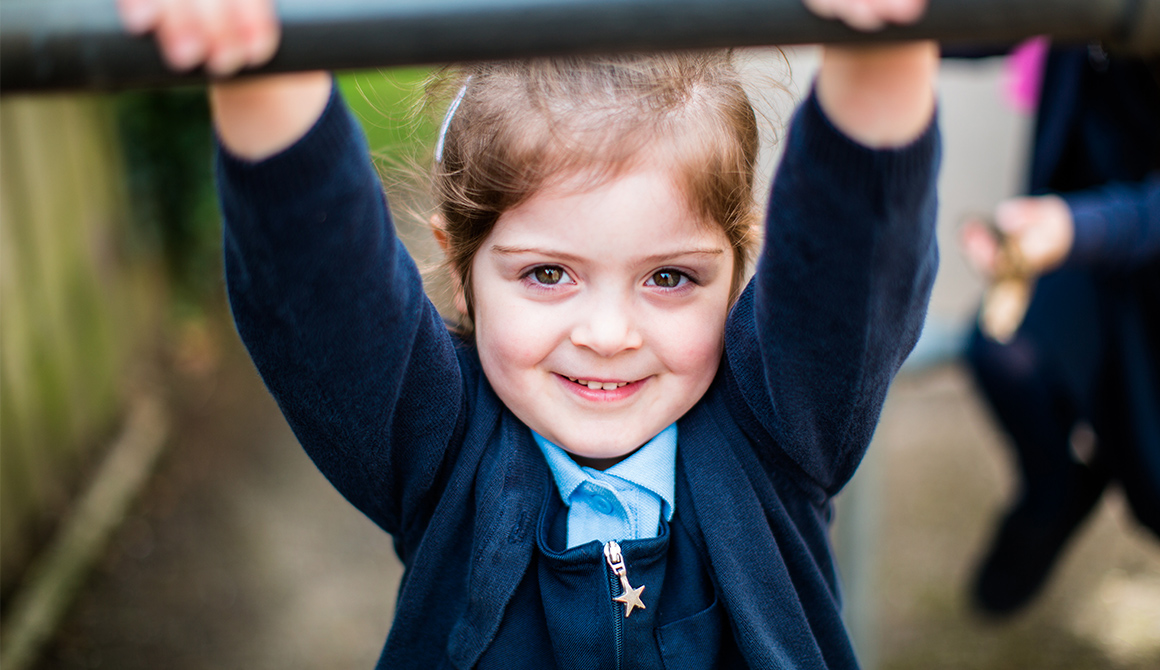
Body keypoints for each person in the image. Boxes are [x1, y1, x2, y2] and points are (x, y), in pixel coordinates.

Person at [120, 0, 939, 666]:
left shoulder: (779, 429)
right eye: (547, 274)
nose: (610, 333)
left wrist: (885, 45)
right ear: (461, 268)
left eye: (670, 277)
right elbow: (318, 282)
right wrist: (256, 60)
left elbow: (856, 255)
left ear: (740, 264)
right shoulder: (435, 444)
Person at [960, 41, 1160, 616]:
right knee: (1003, 350)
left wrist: (1077, 228)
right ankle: (1054, 492)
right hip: (1077, 243)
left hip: (1122, 240)